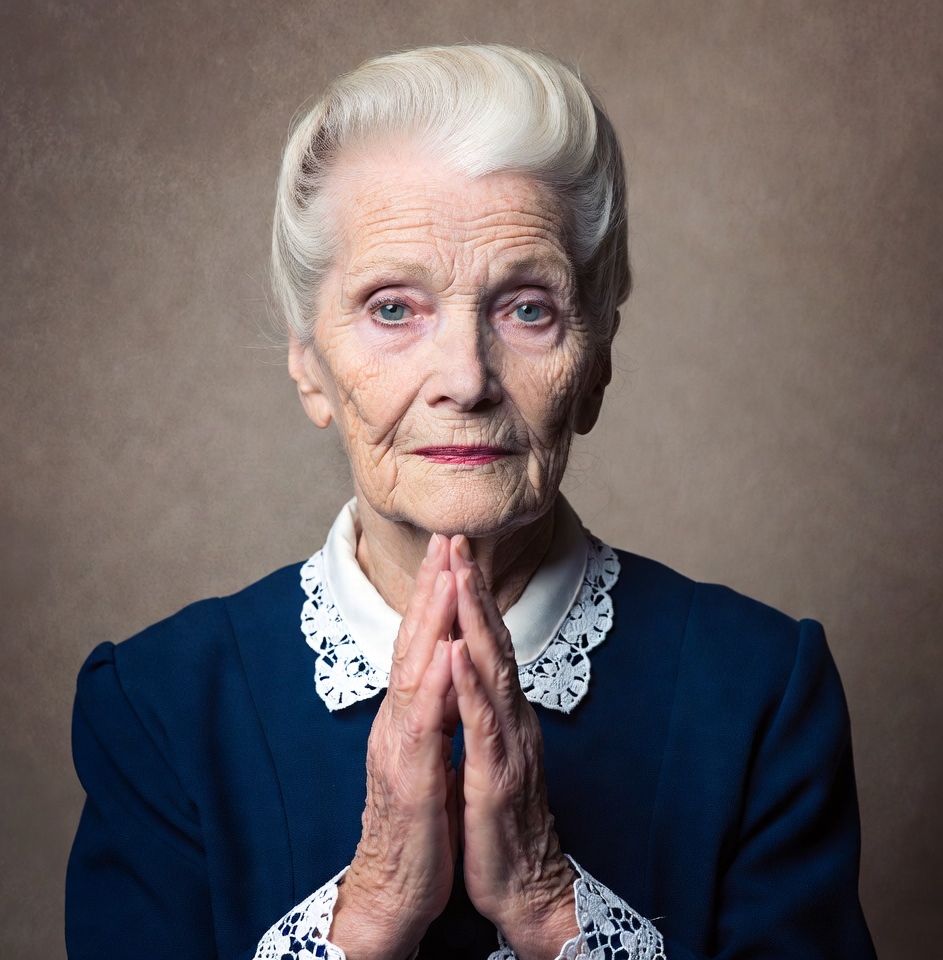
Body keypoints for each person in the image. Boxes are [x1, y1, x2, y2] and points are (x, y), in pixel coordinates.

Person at [65, 44, 877, 960]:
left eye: (528, 308)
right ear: (309, 363)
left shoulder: (763, 691)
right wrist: (368, 914)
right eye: (392, 308)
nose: (464, 379)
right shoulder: (158, 707)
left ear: (598, 359)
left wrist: (549, 906)